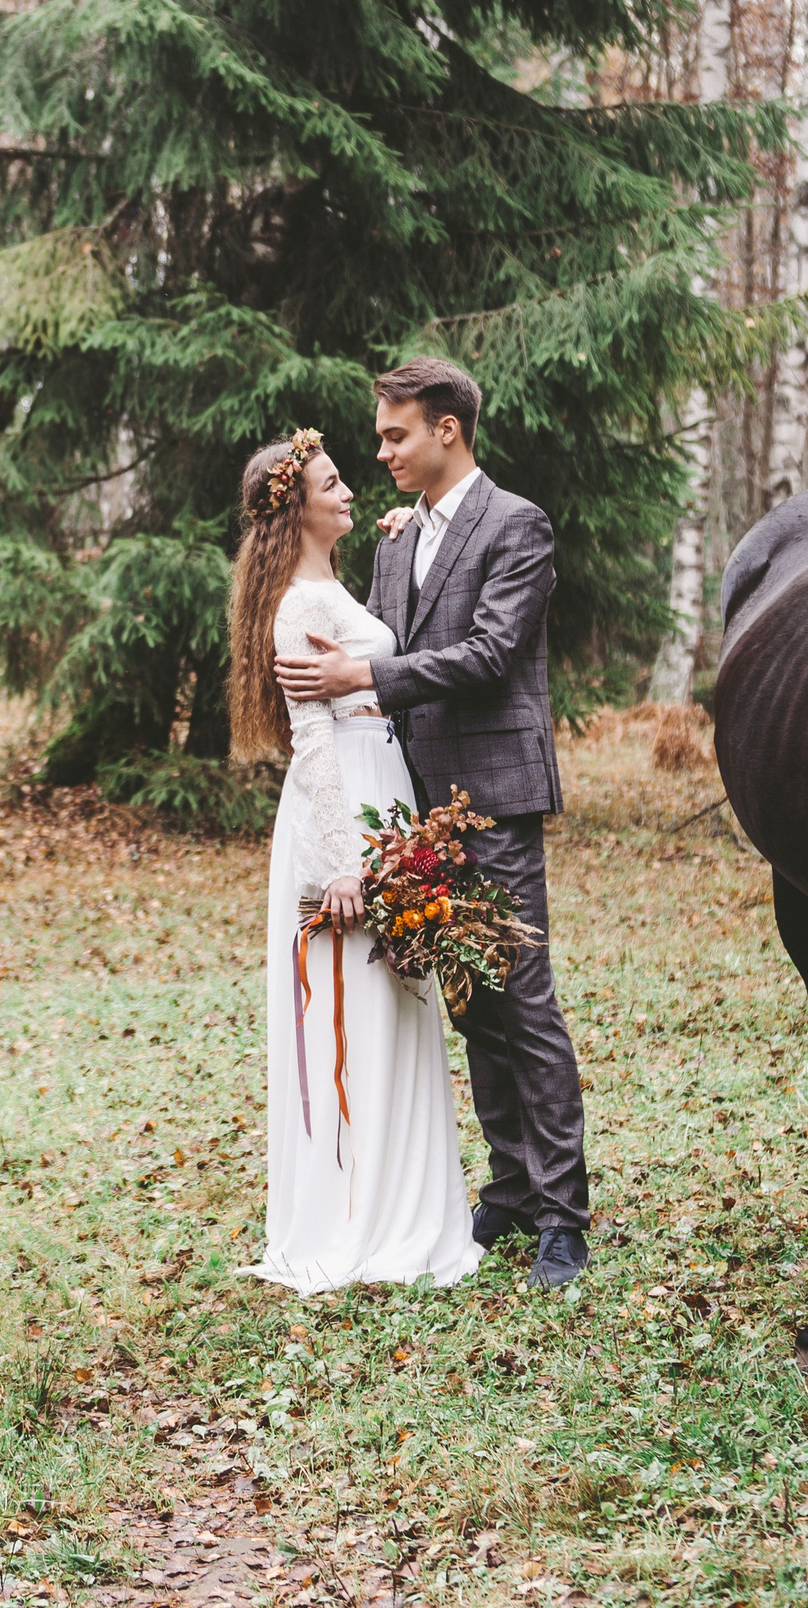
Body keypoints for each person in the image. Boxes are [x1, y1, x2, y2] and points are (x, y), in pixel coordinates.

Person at [275, 359, 589, 1289]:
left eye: (396, 433)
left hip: (495, 794)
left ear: (447, 429)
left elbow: (489, 654)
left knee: (523, 999)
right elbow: (388, 640)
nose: (382, 451)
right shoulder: (396, 541)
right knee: (468, 1000)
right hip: (415, 808)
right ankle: (511, 1187)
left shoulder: (517, 524)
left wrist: (361, 677)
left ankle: (563, 1215)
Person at [227, 428, 482, 1294]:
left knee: (396, 1008)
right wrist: (343, 863)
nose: (349, 491)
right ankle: (357, 1220)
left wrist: (402, 540)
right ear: (296, 508)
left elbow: (377, 651)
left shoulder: (329, 585)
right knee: (357, 1013)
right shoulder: (296, 605)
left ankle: (400, 1203)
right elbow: (313, 742)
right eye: (331, 483)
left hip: (384, 793)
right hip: (345, 813)